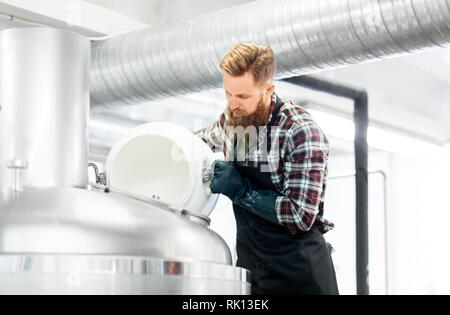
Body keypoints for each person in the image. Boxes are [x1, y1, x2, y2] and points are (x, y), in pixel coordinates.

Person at [195, 42, 339, 295]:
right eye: (228, 93)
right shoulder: (233, 120)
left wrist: (240, 190)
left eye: (242, 96)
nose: (232, 104)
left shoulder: (300, 132)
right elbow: (201, 140)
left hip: (299, 274)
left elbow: (300, 215)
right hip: (253, 270)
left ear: (268, 90)